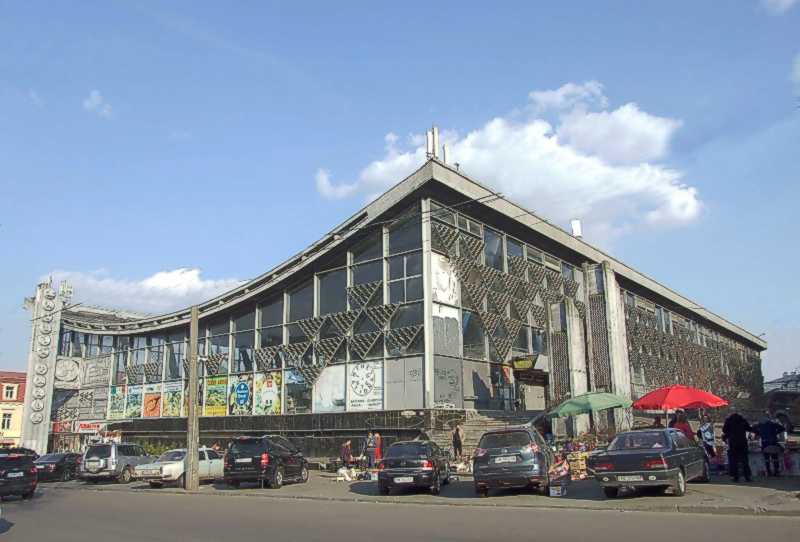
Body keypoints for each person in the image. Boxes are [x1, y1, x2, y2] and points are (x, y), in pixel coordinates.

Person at [722, 409, 753, 482]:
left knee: (733, 460)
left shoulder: (728, 420)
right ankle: (747, 476)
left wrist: (729, 433)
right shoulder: (742, 420)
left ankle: (735, 476)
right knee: (744, 460)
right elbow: (748, 428)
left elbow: (724, 430)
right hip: (742, 442)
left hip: (733, 442)